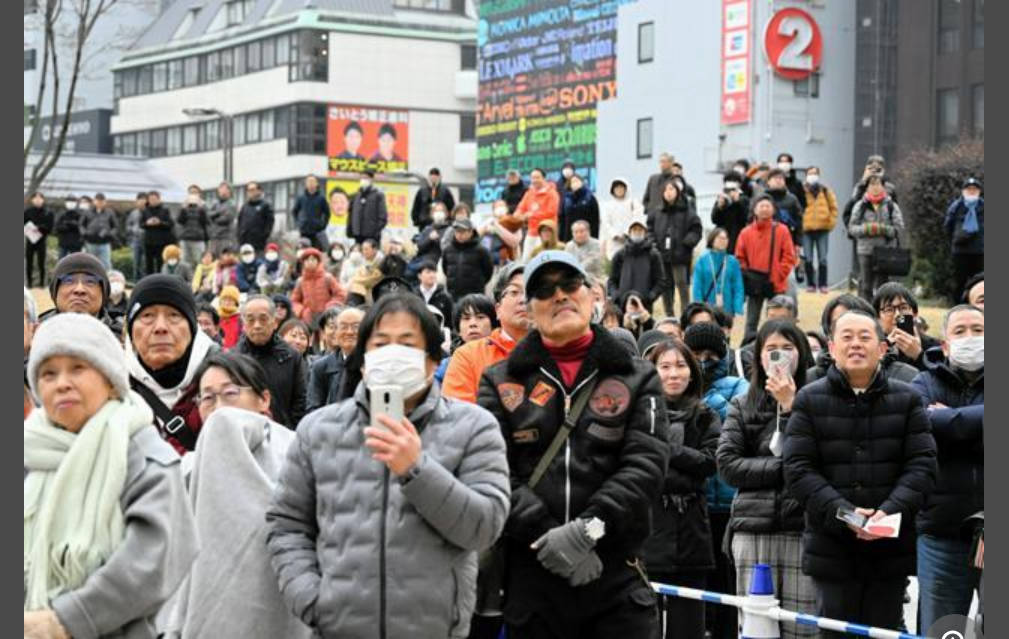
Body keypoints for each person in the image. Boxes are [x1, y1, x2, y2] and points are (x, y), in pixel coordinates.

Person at [267, 293, 510, 637]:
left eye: (407, 343)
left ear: (430, 361)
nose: (393, 354)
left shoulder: (474, 427)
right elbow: (288, 524)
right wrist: (313, 599)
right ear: (363, 361)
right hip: (339, 628)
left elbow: (485, 527)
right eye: (381, 343)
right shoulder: (318, 430)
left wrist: (417, 469)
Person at [477, 250, 671, 638]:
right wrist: (548, 538)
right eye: (545, 290)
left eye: (569, 285)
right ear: (529, 310)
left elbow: (645, 466)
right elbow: (493, 472)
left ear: (591, 294)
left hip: (615, 572)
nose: (560, 295)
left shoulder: (638, 376)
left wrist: (588, 530)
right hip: (533, 577)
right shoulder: (499, 380)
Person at [24, 312, 198, 639]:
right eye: (48, 374)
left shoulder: (144, 456)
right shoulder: (27, 451)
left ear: (110, 380)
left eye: (78, 367)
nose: (62, 382)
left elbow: (154, 560)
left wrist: (66, 621)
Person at [783, 310, 937, 637]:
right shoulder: (809, 398)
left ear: (882, 348)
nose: (856, 345)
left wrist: (887, 513)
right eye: (847, 337)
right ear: (831, 347)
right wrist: (849, 516)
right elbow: (798, 470)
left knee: (884, 631)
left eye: (865, 337)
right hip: (831, 550)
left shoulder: (907, 398)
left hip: (889, 550)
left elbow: (922, 466)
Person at [164, 351, 311, 639]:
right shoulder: (183, 469)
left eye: (230, 393)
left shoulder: (299, 452)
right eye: (207, 398)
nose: (219, 407)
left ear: (264, 400)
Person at [716, 320, 818, 639]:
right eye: (771, 349)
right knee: (757, 629)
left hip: (803, 529)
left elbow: (823, 459)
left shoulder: (817, 401)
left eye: (788, 348)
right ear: (758, 357)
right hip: (752, 530)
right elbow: (729, 465)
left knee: (804, 628)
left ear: (802, 353)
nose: (780, 356)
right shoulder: (742, 404)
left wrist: (792, 406)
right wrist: (787, 469)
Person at [910, 304, 984, 632]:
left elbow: (941, 427)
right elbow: (918, 429)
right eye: (960, 331)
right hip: (941, 533)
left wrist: (948, 420)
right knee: (941, 629)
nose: (970, 337)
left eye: (978, 330)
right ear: (944, 344)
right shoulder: (922, 381)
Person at [642, 340, 721, 639]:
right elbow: (638, 469)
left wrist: (667, 450)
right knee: (642, 622)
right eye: (664, 366)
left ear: (692, 371)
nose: (673, 374)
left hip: (691, 531)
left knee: (688, 624)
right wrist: (685, 464)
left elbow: (710, 464)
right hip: (648, 528)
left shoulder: (705, 415)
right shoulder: (641, 415)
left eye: (680, 365)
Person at [126, 274, 219, 453]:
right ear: (130, 329)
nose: (161, 327)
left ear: (192, 328)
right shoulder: (113, 389)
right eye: (147, 316)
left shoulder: (228, 381)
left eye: (174, 315)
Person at [442, 262, 529, 404]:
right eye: (514, 292)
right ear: (498, 309)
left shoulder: (559, 351)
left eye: (531, 292)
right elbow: (456, 418)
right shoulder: (468, 356)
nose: (523, 300)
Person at [806, 293, 918, 385]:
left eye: (863, 334)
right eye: (841, 326)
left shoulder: (906, 377)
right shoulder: (811, 379)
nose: (855, 343)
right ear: (829, 336)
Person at [234, 294, 307, 428]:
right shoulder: (233, 360)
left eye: (263, 319)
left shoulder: (292, 358)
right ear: (243, 324)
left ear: (274, 323)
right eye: (250, 320)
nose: (257, 325)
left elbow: (300, 403)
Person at [735, 195, 797, 340]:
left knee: (778, 321)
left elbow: (789, 256)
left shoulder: (782, 230)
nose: (764, 209)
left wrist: (779, 274)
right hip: (754, 284)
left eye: (767, 206)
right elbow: (739, 257)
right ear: (754, 210)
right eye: (761, 206)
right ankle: (748, 349)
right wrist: (748, 276)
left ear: (773, 209)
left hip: (776, 284)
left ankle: (780, 343)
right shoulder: (746, 232)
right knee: (751, 322)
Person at [649, 181, 702, 319]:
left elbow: (696, 229)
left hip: (680, 256)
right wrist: (653, 243)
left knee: (682, 285)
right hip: (662, 256)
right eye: (665, 189)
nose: (668, 192)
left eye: (671, 189)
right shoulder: (658, 211)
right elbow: (649, 229)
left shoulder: (687, 210)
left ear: (678, 191)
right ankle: (669, 316)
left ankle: (686, 315)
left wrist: (687, 243)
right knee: (666, 287)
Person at [848, 175, 905, 301]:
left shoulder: (891, 206)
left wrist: (883, 229)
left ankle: (881, 310)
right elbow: (852, 228)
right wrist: (866, 229)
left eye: (878, 184)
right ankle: (865, 310)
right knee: (865, 284)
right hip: (865, 251)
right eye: (872, 184)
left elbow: (899, 228)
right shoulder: (860, 206)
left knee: (883, 285)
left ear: (883, 187)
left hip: (885, 251)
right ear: (867, 187)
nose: (875, 187)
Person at [41, 253, 122, 336]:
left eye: (90, 282)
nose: (79, 289)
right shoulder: (36, 335)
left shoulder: (122, 338)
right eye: (69, 281)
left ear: (104, 293)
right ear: (55, 292)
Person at [307, 306, 364, 411]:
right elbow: (313, 409)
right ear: (336, 332)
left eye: (356, 327)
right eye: (343, 327)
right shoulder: (321, 367)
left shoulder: (373, 363)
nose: (350, 332)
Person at [872, 282, 940, 371]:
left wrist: (918, 355)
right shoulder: (874, 347)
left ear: (915, 314)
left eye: (903, 308)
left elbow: (940, 382)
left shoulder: (934, 347)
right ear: (878, 319)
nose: (897, 315)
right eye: (889, 310)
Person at [607, 219, 664, 314]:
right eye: (634, 230)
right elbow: (612, 280)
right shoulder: (620, 255)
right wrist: (617, 296)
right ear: (629, 233)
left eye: (640, 230)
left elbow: (660, 281)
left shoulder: (653, 255)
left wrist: (650, 297)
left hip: (645, 307)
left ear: (645, 233)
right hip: (622, 307)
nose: (637, 233)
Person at [944, 177, 984, 301]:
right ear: (963, 191)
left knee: (979, 282)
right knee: (959, 282)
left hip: (980, 251)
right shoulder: (956, 206)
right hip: (961, 251)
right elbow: (948, 226)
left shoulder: (984, 206)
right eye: (969, 189)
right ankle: (957, 306)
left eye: (974, 189)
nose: (972, 192)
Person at [800, 166, 838, 294]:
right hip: (806, 229)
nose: (813, 176)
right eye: (810, 173)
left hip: (823, 228)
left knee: (823, 258)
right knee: (808, 258)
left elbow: (834, 208)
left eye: (815, 173)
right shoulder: (802, 191)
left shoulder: (825, 190)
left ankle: (823, 284)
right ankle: (810, 284)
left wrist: (830, 223)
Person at [692, 227, 745, 320]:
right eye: (720, 238)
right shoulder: (702, 260)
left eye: (725, 238)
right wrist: (698, 308)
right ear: (712, 239)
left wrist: (738, 309)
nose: (723, 241)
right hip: (706, 309)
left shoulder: (733, 261)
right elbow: (697, 287)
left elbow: (738, 287)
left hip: (728, 310)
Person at [290, 247, 346, 324]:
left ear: (318, 262)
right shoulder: (300, 281)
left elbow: (341, 294)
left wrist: (331, 306)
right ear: (303, 263)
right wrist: (302, 311)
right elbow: (294, 301)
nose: (310, 262)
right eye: (307, 260)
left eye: (313, 259)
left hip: (326, 318)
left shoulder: (327, 277)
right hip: (308, 320)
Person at [514, 167, 560, 259]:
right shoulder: (529, 193)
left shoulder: (552, 193)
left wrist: (531, 215)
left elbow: (551, 212)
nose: (534, 180)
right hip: (531, 231)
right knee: (525, 259)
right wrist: (518, 214)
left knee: (542, 259)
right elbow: (521, 207)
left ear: (543, 178)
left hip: (547, 232)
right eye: (533, 178)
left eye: (537, 177)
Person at [443, 218, 494, 300]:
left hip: (475, 295)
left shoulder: (481, 250)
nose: (459, 234)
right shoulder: (448, 250)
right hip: (454, 295)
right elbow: (445, 269)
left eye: (463, 231)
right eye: (457, 231)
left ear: (471, 232)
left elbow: (488, 272)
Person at [600, 177, 645, 261]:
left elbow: (637, 218)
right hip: (614, 243)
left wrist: (626, 233)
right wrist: (615, 235)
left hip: (631, 239)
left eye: (621, 187)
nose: (619, 190)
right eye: (616, 188)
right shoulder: (608, 205)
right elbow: (606, 223)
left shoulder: (633, 203)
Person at [711, 172, 750, 254]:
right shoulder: (722, 198)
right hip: (723, 237)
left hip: (738, 237)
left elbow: (746, 218)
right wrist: (719, 207)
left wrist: (737, 202)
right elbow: (714, 219)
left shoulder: (744, 199)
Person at [347, 169, 388, 245]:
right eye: (361, 178)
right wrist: (351, 231)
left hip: (372, 236)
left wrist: (375, 231)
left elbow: (383, 217)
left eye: (366, 178)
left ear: (371, 179)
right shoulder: (356, 195)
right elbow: (351, 215)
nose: (363, 180)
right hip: (358, 234)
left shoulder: (378, 195)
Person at [80, 193, 118, 272]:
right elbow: (81, 225)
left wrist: (109, 234)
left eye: (102, 201)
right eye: (98, 201)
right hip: (91, 242)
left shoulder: (109, 212)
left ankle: (106, 282)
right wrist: (85, 233)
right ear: (94, 201)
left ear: (105, 202)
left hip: (104, 243)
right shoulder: (87, 212)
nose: (99, 203)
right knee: (90, 264)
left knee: (106, 264)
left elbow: (115, 227)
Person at [292, 174, 331, 252]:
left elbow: (327, 213)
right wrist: (299, 223)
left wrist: (323, 225)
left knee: (316, 252)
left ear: (317, 184)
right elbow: (294, 211)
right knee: (303, 252)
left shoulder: (321, 198)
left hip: (317, 232)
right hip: (304, 231)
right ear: (306, 184)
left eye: (313, 181)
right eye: (309, 181)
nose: (311, 183)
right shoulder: (301, 198)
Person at [141, 191, 175, 276]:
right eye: (151, 199)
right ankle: (149, 280)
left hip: (162, 241)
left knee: (161, 263)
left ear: (159, 199)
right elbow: (141, 224)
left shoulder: (165, 210)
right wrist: (147, 223)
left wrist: (160, 223)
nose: (153, 201)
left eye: (155, 199)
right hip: (149, 241)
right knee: (149, 263)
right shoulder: (145, 211)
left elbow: (170, 224)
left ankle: (161, 279)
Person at [24, 191, 54, 288]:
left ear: (43, 200)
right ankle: (29, 284)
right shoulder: (27, 212)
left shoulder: (48, 212)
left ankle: (42, 284)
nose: (38, 200)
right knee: (29, 262)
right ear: (32, 200)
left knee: (41, 263)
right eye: (35, 198)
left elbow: (50, 227)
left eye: (40, 198)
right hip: (30, 239)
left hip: (42, 240)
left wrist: (40, 228)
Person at [559, 174, 600, 242]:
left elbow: (595, 220)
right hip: (569, 237)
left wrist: (594, 237)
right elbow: (563, 220)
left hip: (587, 236)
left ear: (582, 182)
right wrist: (561, 238)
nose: (575, 183)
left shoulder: (590, 198)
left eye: (577, 181)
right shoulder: (566, 199)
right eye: (573, 182)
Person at [238, 182, 275, 254]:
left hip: (259, 245)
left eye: (252, 190)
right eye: (248, 190)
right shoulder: (244, 207)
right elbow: (239, 223)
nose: (250, 192)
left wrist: (263, 237)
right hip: (245, 244)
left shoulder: (265, 206)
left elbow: (270, 223)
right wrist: (240, 238)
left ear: (259, 191)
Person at [177, 187, 209, 267]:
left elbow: (206, 222)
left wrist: (201, 208)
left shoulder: (204, 206)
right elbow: (180, 221)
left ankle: (198, 279)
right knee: (184, 262)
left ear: (199, 194)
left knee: (199, 262)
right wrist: (183, 208)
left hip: (198, 238)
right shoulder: (184, 206)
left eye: (195, 193)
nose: (193, 195)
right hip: (185, 237)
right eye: (191, 193)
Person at [347, 238, 384, 306]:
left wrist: (357, 280)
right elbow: (357, 276)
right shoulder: (364, 261)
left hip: (376, 292)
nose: (364, 252)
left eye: (366, 249)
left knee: (356, 285)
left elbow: (373, 280)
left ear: (375, 250)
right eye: (363, 249)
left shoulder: (382, 262)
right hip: (363, 292)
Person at [642, 152, 678, 218]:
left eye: (664, 161)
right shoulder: (653, 179)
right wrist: (649, 210)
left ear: (671, 163)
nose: (662, 164)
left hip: (668, 218)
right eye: (661, 162)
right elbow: (645, 200)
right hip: (652, 217)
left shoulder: (675, 180)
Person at [207, 182, 237, 258]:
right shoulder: (215, 203)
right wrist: (219, 212)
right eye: (220, 189)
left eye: (224, 189)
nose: (222, 191)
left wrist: (214, 218)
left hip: (225, 237)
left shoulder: (232, 204)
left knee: (224, 260)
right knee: (213, 260)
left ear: (229, 191)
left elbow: (225, 219)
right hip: (214, 237)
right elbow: (208, 215)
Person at [125, 191, 148, 281]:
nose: (141, 202)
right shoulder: (133, 213)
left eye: (143, 200)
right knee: (136, 264)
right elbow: (127, 226)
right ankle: (135, 282)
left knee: (144, 264)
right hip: (135, 241)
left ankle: (145, 283)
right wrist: (133, 229)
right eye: (140, 200)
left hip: (147, 241)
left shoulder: (149, 212)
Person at [54, 194, 84, 259]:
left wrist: (72, 224)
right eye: (69, 201)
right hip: (63, 243)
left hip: (76, 244)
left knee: (76, 263)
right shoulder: (61, 213)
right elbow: (56, 227)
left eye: (73, 202)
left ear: (76, 203)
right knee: (62, 263)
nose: (71, 203)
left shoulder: (80, 214)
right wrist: (66, 226)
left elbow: (82, 227)